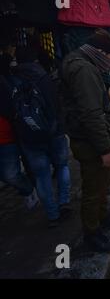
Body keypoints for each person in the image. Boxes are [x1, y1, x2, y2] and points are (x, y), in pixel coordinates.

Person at [61, 29, 110, 252]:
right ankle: (92, 233)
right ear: (99, 52)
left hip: (92, 138)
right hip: (89, 141)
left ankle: (102, 217)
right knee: (93, 187)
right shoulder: (82, 69)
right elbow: (91, 113)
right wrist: (105, 148)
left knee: (103, 182)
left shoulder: (85, 65)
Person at [11, 45, 71, 227]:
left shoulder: (11, 80)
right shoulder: (45, 77)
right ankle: (64, 203)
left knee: (42, 175)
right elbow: (57, 104)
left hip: (29, 137)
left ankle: (52, 215)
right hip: (55, 133)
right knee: (61, 166)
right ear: (35, 59)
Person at [0, 55, 39, 210]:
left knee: (10, 175)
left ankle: (29, 189)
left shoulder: (6, 83)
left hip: (6, 136)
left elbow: (14, 108)